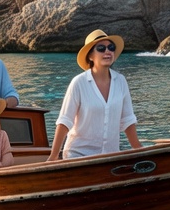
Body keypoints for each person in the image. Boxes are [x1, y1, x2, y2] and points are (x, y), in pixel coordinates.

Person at [47, 29, 143, 162]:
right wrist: (53, 156)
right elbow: (64, 121)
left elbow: (128, 120)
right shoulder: (78, 83)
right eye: (101, 48)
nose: (107, 51)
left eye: (111, 47)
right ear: (90, 56)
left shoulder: (121, 81)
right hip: (78, 157)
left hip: (111, 158)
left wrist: (139, 150)